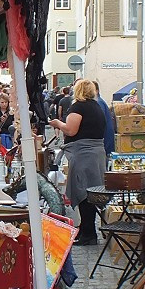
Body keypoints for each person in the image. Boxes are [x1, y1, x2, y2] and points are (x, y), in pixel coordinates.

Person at [49, 79, 107, 246]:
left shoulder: (79, 107)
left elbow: (71, 129)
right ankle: (86, 229)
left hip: (84, 155)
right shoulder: (96, 106)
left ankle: (89, 234)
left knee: (84, 192)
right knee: (91, 191)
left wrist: (58, 123)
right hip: (96, 153)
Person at [94, 81, 115, 155]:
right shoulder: (99, 101)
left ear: (96, 91)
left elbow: (99, 121)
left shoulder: (98, 103)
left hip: (104, 138)